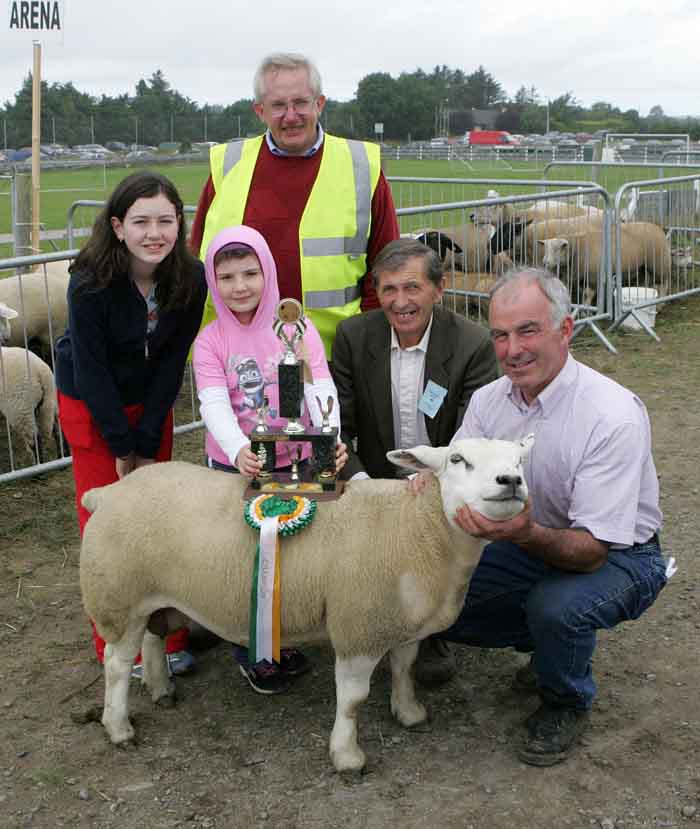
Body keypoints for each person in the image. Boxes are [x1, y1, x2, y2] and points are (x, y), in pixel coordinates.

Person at [417, 267, 668, 766]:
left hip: (619, 556)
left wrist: (525, 532)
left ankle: (565, 699)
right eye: (501, 335)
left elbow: (593, 548)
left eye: (528, 330)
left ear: (566, 329)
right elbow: (457, 477)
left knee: (558, 607)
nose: (512, 350)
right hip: (524, 538)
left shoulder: (610, 414)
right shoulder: (490, 401)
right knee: (436, 598)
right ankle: (549, 642)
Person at [55, 171, 208, 675]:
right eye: (141, 221)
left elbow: (171, 364)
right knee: (108, 525)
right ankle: (116, 647)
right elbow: (92, 368)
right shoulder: (89, 281)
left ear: (180, 223)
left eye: (166, 220)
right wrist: (122, 446)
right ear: (118, 226)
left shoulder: (191, 277)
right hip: (93, 402)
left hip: (150, 402)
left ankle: (168, 637)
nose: (154, 233)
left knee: (158, 518)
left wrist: (146, 439)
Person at [331, 237, 499, 684]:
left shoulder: (473, 344)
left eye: (412, 288)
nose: (400, 302)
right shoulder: (353, 336)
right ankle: (365, 623)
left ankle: (428, 631)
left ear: (438, 290)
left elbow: (473, 432)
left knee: (437, 548)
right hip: (373, 476)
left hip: (441, 480)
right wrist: (360, 479)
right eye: (388, 290)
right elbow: (336, 422)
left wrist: (435, 476)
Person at [193, 224, 347, 695]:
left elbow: (318, 385)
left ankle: (286, 633)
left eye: (250, 273)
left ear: (268, 272)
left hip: (296, 455)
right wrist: (238, 449)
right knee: (245, 559)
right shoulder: (210, 342)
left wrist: (330, 435)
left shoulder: (296, 330)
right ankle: (250, 650)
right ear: (213, 284)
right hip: (237, 466)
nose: (240, 287)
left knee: (294, 548)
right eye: (227, 277)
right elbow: (215, 403)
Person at [188, 52, 400, 357]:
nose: (291, 115)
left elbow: (387, 264)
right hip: (243, 356)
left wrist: (367, 341)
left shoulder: (361, 166)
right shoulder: (227, 166)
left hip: (336, 353)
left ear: (320, 103)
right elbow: (197, 258)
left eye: (300, 102)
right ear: (260, 110)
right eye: (278, 105)